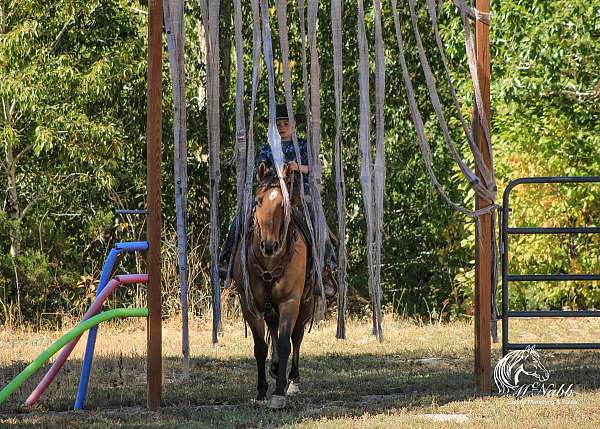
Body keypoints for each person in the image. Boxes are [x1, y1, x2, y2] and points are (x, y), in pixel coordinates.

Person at [220, 104, 337, 302]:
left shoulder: (303, 145)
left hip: (299, 192)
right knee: (243, 214)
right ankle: (227, 258)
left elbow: (316, 169)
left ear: (293, 125)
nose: (282, 127)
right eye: (278, 124)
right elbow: (261, 169)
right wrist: (269, 171)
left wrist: (297, 167)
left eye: (286, 123)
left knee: (317, 219)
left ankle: (326, 269)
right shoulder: (267, 148)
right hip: (270, 191)